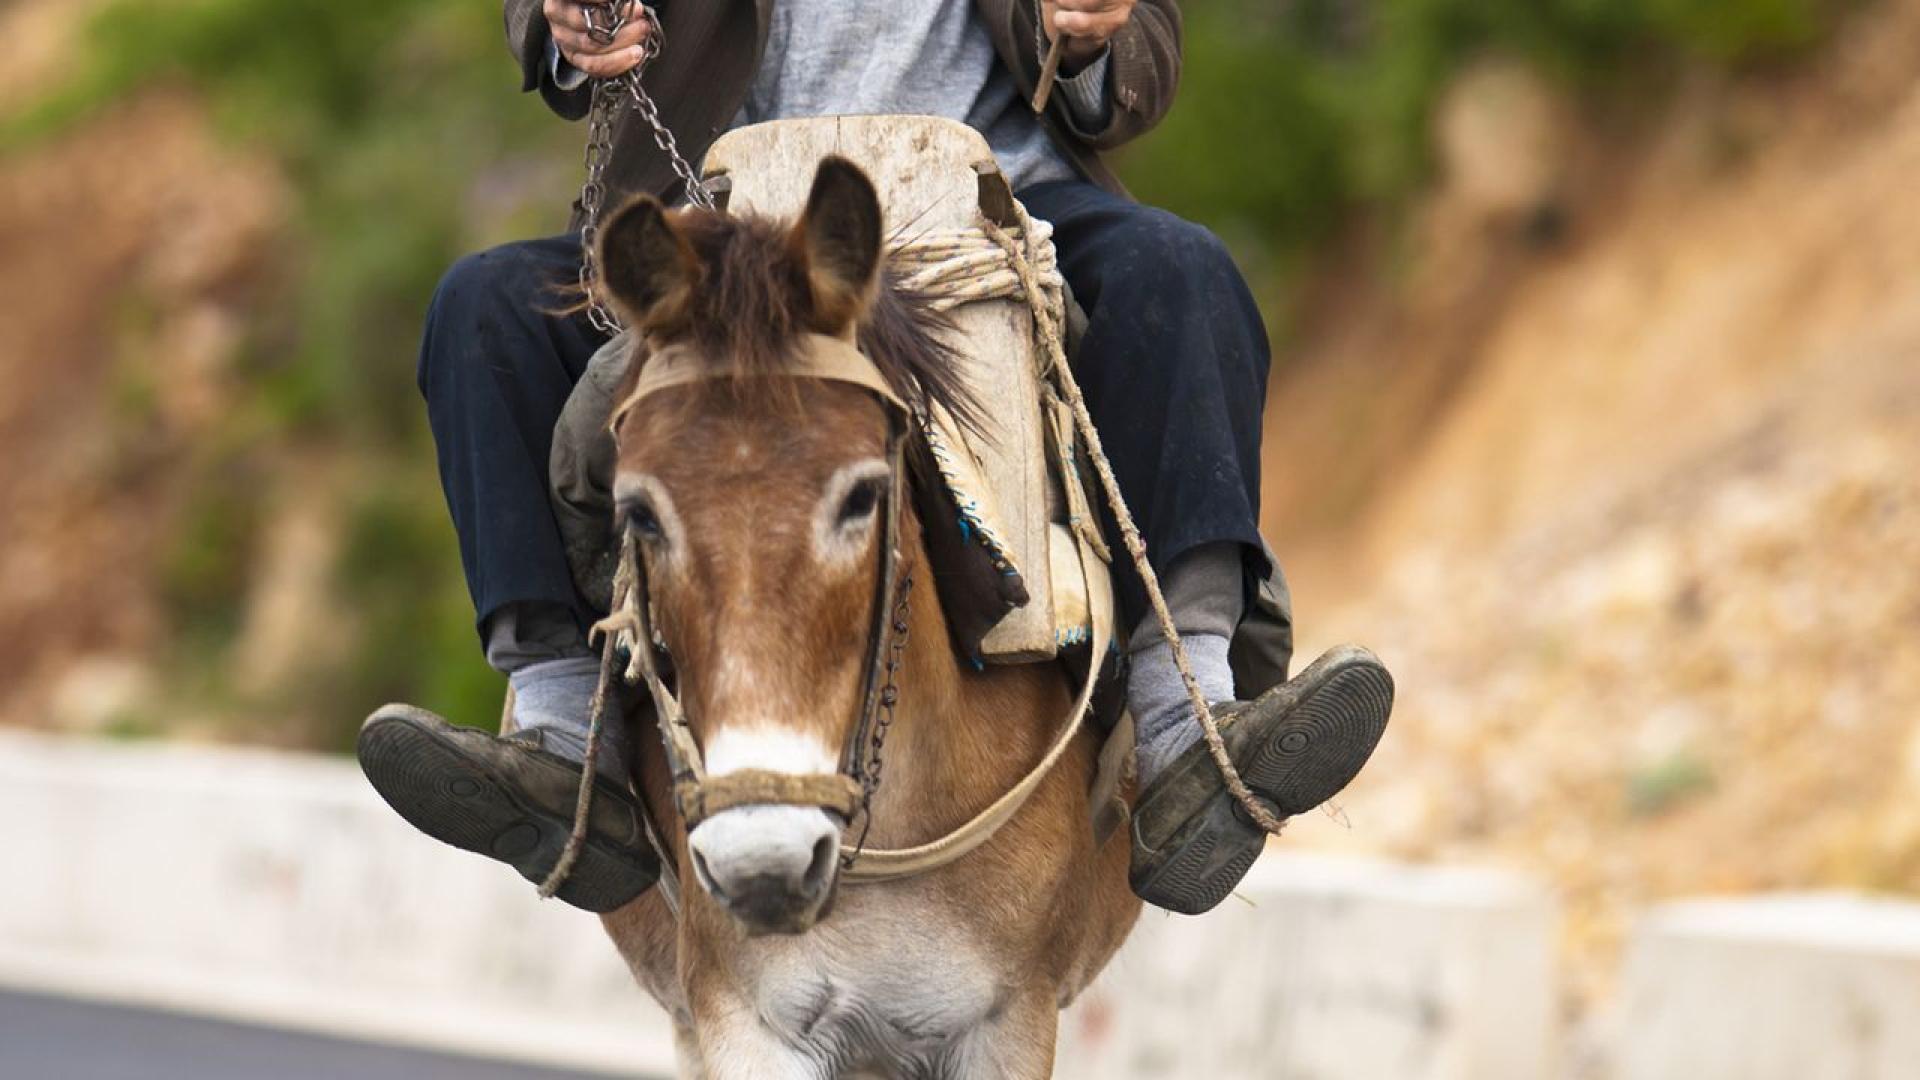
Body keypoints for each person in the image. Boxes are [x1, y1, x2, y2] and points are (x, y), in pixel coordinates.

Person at [358, 0, 1394, 918]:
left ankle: (1188, 728)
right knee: (480, 313)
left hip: (998, 206)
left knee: (1185, 275)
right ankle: (562, 747)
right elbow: (544, 18)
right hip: (716, 217)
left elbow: (1141, 56)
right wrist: (567, 24)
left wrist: (1085, 40)